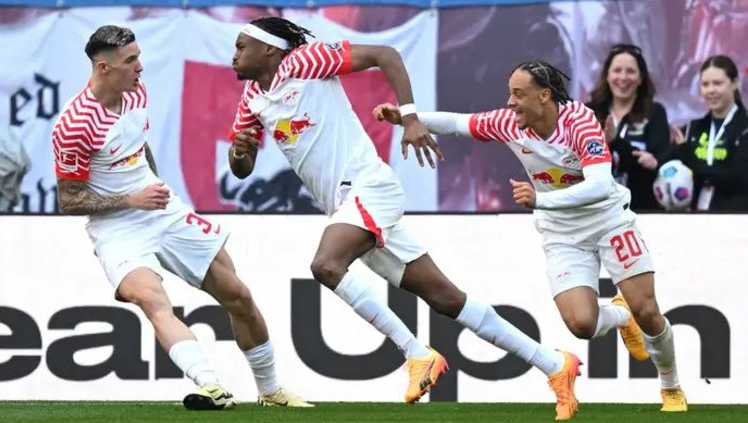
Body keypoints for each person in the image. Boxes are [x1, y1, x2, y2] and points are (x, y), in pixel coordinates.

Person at [228, 17, 581, 419]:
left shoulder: (305, 61)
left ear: (269, 49)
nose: (234, 55)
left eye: (241, 46)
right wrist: (240, 152)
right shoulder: (251, 99)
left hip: (368, 187)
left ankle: (416, 353)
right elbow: (242, 169)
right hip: (347, 207)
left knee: (326, 265)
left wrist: (411, 118)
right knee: (448, 299)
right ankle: (554, 364)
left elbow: (386, 54)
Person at [374, 61, 687, 412]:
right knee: (582, 324)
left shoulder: (580, 122)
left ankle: (670, 386)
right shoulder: (509, 122)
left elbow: (600, 186)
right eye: (510, 93)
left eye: (518, 94)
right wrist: (407, 118)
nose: (510, 102)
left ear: (544, 96)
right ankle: (620, 316)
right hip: (562, 232)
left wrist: (541, 200)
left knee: (647, 310)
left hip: (608, 220)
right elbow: (459, 123)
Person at [53, 25, 310, 410]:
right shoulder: (74, 126)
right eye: (131, 61)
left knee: (238, 295)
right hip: (118, 227)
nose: (140, 67)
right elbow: (69, 201)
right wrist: (132, 199)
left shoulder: (135, 92)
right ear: (103, 68)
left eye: (139, 57)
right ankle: (211, 387)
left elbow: (138, 146)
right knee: (151, 300)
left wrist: (152, 187)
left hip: (161, 208)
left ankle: (271, 392)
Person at [586, 44, 671, 211]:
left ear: (640, 78)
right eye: (617, 70)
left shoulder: (655, 113)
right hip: (596, 212)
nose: (623, 77)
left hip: (641, 211)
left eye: (631, 71)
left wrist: (616, 141)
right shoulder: (589, 112)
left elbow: (655, 168)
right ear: (607, 75)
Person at [670, 55, 748, 211]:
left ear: (734, 83)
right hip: (694, 219)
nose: (710, 90)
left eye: (717, 83)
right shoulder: (692, 129)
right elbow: (665, 165)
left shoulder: (745, 128)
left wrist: (689, 158)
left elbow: (739, 178)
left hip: (736, 220)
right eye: (705, 84)